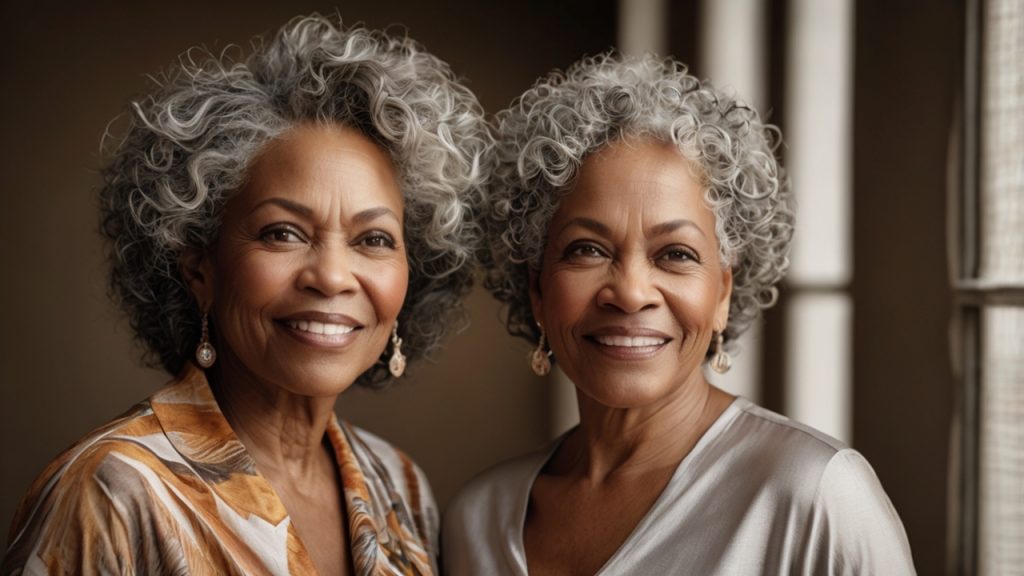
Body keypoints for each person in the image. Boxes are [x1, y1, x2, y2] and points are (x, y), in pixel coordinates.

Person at [2, 14, 490, 576]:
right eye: (282, 233)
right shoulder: (113, 492)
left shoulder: (399, 484)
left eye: (373, 239)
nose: (332, 277)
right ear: (199, 267)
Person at [444, 52, 915, 575]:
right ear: (536, 287)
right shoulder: (477, 520)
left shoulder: (815, 495)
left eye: (676, 254)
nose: (630, 292)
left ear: (723, 293)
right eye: (587, 249)